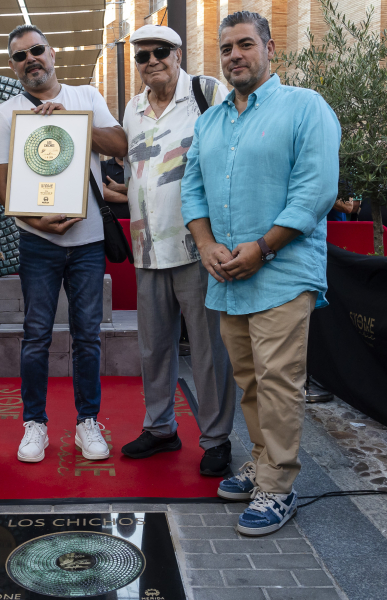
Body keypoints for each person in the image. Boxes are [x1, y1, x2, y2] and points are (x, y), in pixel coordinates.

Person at [180, 11, 340, 536]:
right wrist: (205, 245)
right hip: (227, 276)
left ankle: (278, 487)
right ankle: (262, 462)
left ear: (270, 49)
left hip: (281, 272)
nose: (235, 56)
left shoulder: (305, 107)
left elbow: (315, 191)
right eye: (226, 49)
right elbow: (192, 190)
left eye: (245, 45)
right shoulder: (209, 121)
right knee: (248, 379)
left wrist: (262, 250)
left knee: (278, 383)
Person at [0, 25, 128, 463]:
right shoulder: (3, 114)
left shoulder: (85, 96)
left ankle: (87, 421)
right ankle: (36, 424)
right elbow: (2, 185)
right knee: (35, 337)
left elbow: (121, 146)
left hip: (87, 242)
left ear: (51, 54)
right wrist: (36, 220)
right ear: (13, 67)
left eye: (36, 50)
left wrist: (71, 120)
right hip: (37, 242)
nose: (30, 59)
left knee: (88, 337)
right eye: (19, 56)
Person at [119, 24, 237, 477]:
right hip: (147, 248)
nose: (151, 61)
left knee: (208, 351)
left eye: (160, 52)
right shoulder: (132, 108)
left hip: (197, 246)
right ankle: (161, 427)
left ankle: (216, 439)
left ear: (178, 52)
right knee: (153, 349)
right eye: (142, 55)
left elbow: (230, 157)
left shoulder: (207, 91)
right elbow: (139, 171)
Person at [100, 155, 129, 219]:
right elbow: (103, 192)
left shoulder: (140, 166)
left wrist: (118, 187)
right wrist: (132, 199)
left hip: (139, 219)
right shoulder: (103, 165)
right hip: (112, 220)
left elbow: (147, 188)